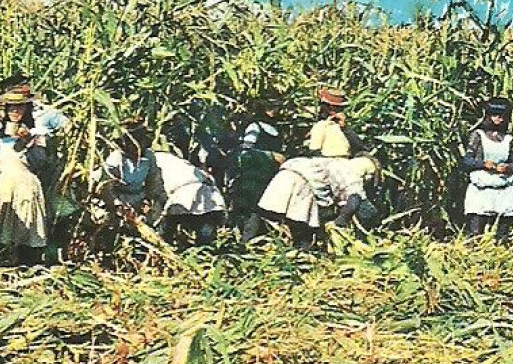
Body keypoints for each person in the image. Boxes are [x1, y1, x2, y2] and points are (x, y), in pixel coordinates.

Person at [0, 83, 49, 263]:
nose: (15, 110)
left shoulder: (36, 134)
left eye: (20, 106)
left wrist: (28, 141)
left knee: (26, 231)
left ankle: (28, 266)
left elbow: (41, 162)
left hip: (22, 185)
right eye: (11, 107)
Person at [257, 154, 380, 250]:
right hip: (302, 184)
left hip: (284, 175)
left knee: (268, 219)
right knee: (302, 228)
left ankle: (247, 245)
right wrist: (338, 224)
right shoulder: (351, 174)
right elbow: (355, 200)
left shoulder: (332, 162)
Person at [462, 97, 513, 239]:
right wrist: (483, 164)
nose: (499, 119)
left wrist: (508, 167)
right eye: (495, 115)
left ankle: (501, 252)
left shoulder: (508, 139)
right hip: (482, 185)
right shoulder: (478, 136)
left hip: (504, 185)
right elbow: (466, 161)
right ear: (488, 115)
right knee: (476, 229)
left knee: (502, 231)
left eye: (502, 116)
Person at [229, 94, 286, 241]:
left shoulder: (277, 129)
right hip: (253, 176)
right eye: (270, 107)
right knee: (251, 209)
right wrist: (270, 156)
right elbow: (244, 153)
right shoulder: (254, 127)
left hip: (269, 177)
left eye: (276, 107)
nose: (274, 111)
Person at [147, 144, 227, 246]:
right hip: (206, 192)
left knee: (168, 229)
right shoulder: (172, 159)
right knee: (205, 231)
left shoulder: (154, 160)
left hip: (185, 194)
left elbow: (155, 189)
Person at [306, 86, 361, 158]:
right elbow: (314, 150)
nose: (336, 110)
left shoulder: (344, 127)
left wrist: (344, 128)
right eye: (333, 107)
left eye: (339, 108)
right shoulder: (321, 125)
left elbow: (358, 147)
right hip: (328, 162)